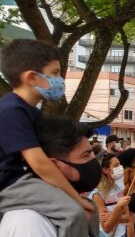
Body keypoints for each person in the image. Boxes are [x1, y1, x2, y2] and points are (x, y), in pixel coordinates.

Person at [0, 39, 93, 217]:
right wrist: (75, 198)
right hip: (11, 184)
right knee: (73, 212)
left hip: (25, 181)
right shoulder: (12, 111)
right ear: (32, 77)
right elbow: (40, 164)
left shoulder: (32, 111)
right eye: (55, 73)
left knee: (88, 209)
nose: (60, 80)